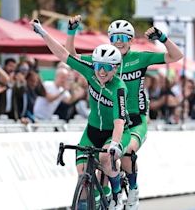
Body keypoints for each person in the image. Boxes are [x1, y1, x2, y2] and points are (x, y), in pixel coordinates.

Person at [66, 16, 184, 209]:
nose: (118, 41)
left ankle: (133, 191)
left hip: (134, 121)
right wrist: (72, 32)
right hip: (110, 122)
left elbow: (176, 56)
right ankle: (103, 197)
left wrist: (162, 38)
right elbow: (72, 57)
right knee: (104, 164)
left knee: (126, 154)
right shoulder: (103, 60)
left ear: (131, 40)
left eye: (123, 36)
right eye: (114, 37)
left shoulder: (140, 58)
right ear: (109, 40)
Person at [31, 19, 131, 210]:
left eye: (107, 67)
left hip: (114, 133)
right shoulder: (91, 72)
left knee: (106, 160)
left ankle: (115, 194)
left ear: (116, 68)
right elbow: (63, 54)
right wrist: (42, 33)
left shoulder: (119, 88)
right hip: (92, 131)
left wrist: (116, 145)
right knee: (83, 176)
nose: (101, 71)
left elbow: (119, 122)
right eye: (98, 66)